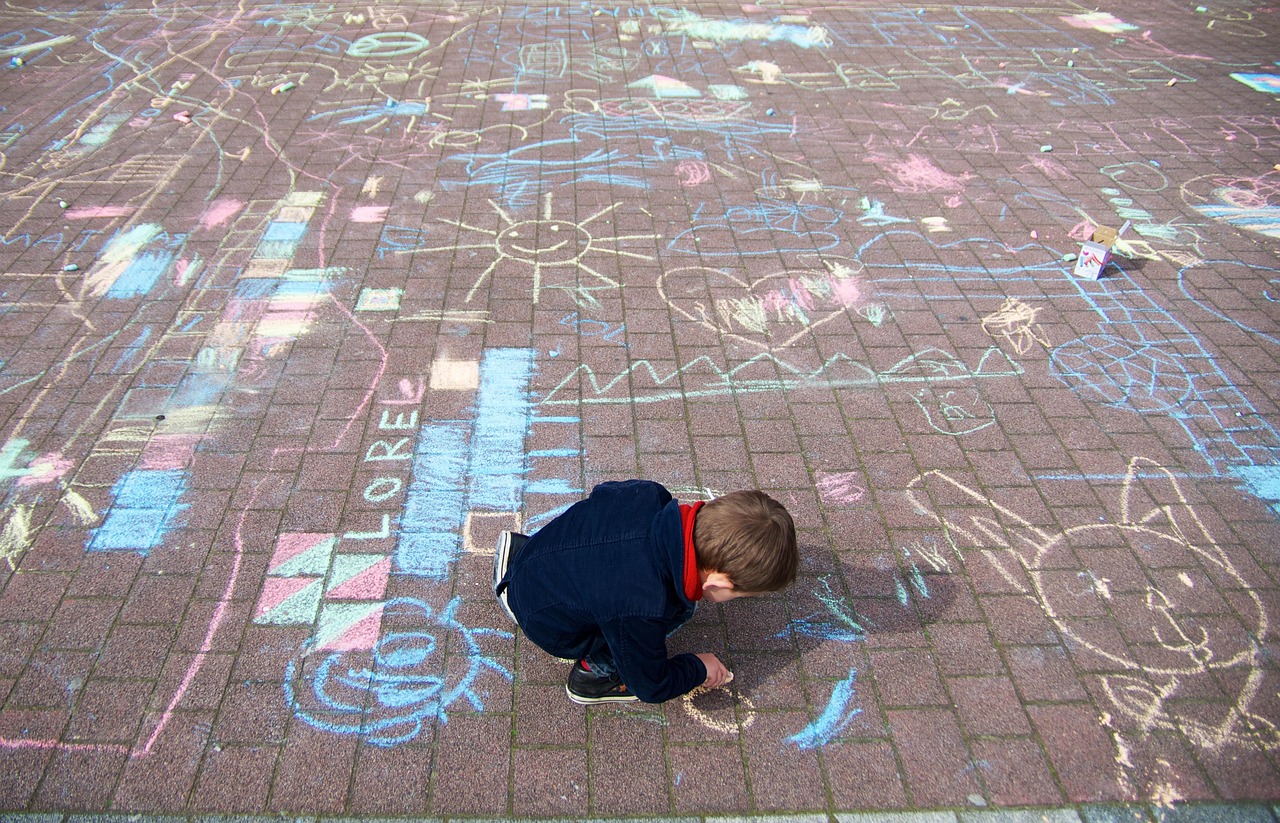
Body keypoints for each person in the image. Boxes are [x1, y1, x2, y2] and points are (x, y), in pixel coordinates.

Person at [493, 479, 798, 705]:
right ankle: (594, 673)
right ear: (716, 584)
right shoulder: (644, 603)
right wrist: (697, 667)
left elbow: (599, 501)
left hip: (539, 555)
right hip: (545, 622)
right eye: (739, 595)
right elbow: (653, 686)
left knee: (603, 553)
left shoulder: (651, 495)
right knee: (678, 609)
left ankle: (520, 567)